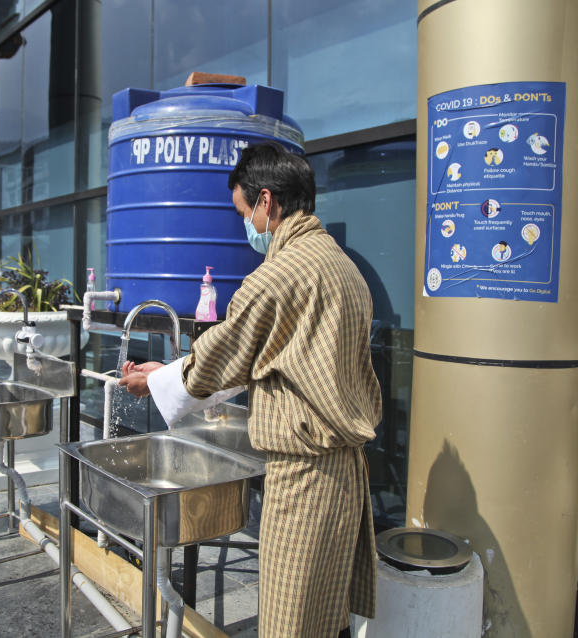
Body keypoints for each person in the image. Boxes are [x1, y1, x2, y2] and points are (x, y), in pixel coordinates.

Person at [119, 143, 382, 637]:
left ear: (267, 202)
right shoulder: (344, 269)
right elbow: (266, 358)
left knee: (291, 620)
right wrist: (171, 369)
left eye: (244, 212)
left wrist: (153, 379)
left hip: (305, 477)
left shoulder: (280, 274)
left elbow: (219, 355)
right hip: (343, 473)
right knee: (323, 618)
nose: (247, 226)